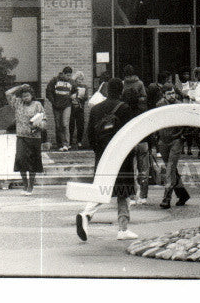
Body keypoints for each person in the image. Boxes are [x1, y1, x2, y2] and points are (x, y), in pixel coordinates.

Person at [76, 78, 138, 241]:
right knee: (123, 192)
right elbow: (129, 134)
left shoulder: (96, 109)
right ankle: (123, 228)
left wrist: (99, 152)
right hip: (121, 156)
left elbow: (89, 135)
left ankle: (86, 214)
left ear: (107, 90)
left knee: (102, 188)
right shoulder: (124, 108)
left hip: (103, 155)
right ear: (121, 90)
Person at [5, 83, 45, 194]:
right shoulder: (18, 103)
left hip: (34, 137)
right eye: (23, 96)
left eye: (27, 95)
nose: (25, 98)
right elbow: (8, 93)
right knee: (20, 160)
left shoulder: (37, 105)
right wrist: (20, 87)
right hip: (21, 136)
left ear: (32, 95)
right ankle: (25, 185)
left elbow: (44, 120)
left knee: (32, 162)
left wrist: (39, 124)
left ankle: (30, 187)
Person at [157, 83, 190, 209]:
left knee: (170, 169)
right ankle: (183, 194)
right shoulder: (160, 105)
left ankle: (166, 198)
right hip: (163, 140)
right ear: (164, 94)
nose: (172, 96)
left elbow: (188, 122)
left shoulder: (179, 105)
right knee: (172, 169)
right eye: (169, 93)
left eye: (173, 93)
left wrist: (183, 135)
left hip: (176, 139)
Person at [46, 66, 75, 151]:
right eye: (67, 75)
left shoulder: (71, 82)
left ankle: (66, 144)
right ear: (63, 74)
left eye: (70, 75)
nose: (69, 77)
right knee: (58, 125)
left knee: (65, 124)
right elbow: (48, 91)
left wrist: (74, 95)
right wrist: (53, 101)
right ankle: (60, 144)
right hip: (56, 106)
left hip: (67, 105)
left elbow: (75, 90)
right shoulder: (55, 80)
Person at [69, 71, 88, 148]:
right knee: (71, 124)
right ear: (75, 79)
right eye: (79, 79)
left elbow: (86, 97)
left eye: (81, 79)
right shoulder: (72, 86)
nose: (80, 81)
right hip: (72, 107)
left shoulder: (85, 86)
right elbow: (69, 95)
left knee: (80, 125)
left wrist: (81, 98)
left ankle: (79, 140)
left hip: (80, 107)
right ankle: (70, 141)